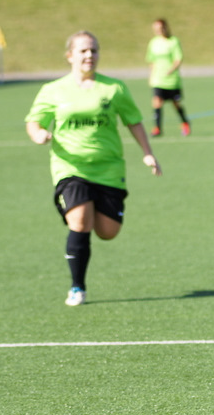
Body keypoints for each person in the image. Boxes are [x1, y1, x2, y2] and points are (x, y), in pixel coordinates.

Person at [25, 31, 162, 307]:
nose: (90, 55)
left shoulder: (114, 88)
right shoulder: (53, 90)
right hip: (70, 167)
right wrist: (38, 134)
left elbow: (133, 120)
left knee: (108, 231)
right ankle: (77, 287)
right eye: (83, 51)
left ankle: (85, 215)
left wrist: (148, 153)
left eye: (94, 50)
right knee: (79, 222)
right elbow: (34, 120)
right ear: (70, 56)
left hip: (109, 169)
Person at [146, 18, 191, 137]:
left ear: (166, 28)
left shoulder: (173, 41)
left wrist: (170, 70)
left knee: (176, 103)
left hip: (171, 79)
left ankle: (185, 122)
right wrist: (151, 75)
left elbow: (178, 59)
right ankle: (157, 128)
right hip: (158, 79)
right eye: (156, 29)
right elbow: (151, 60)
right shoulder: (153, 43)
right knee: (157, 102)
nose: (159, 31)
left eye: (161, 28)